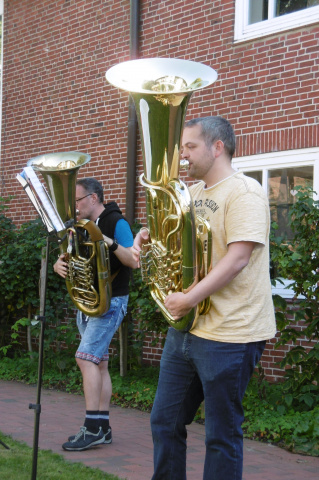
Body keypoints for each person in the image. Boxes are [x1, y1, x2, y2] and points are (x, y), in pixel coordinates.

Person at [132, 116, 276, 480]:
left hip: (231, 333)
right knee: (164, 422)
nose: (182, 156)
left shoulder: (245, 192)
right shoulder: (190, 194)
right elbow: (171, 238)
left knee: (221, 436)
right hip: (187, 328)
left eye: (189, 147)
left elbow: (238, 258)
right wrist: (146, 238)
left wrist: (188, 297)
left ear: (217, 147)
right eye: (182, 148)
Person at [54, 178, 138, 452]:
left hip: (111, 301)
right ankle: (103, 428)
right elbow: (70, 256)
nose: (75, 207)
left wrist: (107, 241)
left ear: (93, 198)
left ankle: (91, 428)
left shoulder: (117, 222)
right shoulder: (79, 228)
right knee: (99, 364)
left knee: (84, 358)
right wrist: (60, 264)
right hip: (89, 302)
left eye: (77, 201)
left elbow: (133, 260)